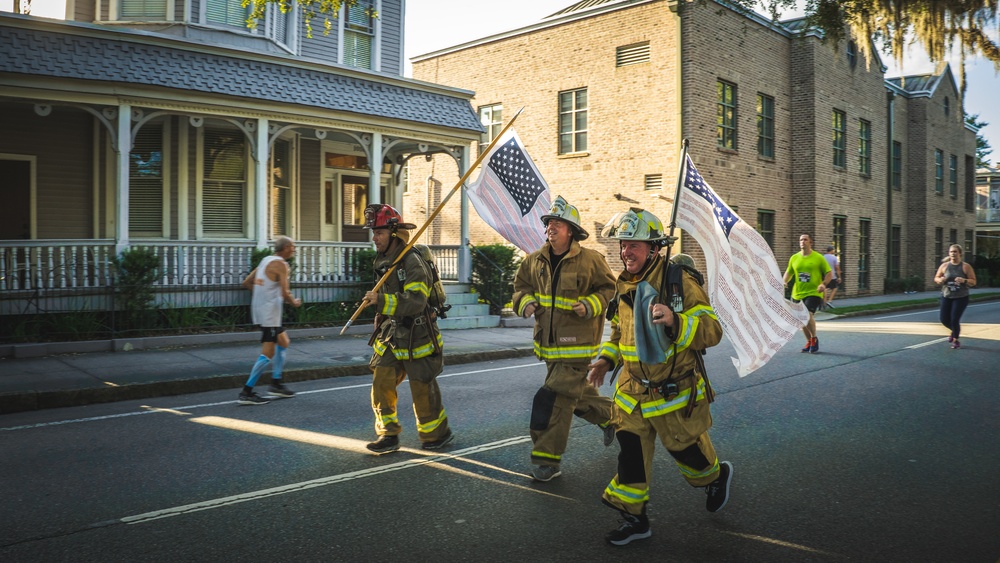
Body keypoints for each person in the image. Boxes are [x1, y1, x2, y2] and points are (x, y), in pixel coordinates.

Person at [587, 208, 732, 547]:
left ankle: (715, 477)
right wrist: (606, 361)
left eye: (634, 245)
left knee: (689, 457)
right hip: (633, 392)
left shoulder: (678, 281)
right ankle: (635, 520)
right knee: (631, 455)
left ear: (654, 249)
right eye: (623, 244)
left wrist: (675, 321)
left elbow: (712, 330)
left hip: (673, 395)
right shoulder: (625, 283)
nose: (626, 252)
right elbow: (619, 333)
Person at [511, 195, 617, 482]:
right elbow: (519, 287)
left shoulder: (591, 260)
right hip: (548, 346)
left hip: (577, 348)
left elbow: (610, 289)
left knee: (553, 400)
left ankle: (547, 461)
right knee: (574, 396)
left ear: (571, 230)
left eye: (557, 223)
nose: (551, 228)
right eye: (549, 223)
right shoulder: (534, 261)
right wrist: (526, 302)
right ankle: (615, 418)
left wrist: (592, 304)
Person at [361, 203, 454, 454]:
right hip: (391, 333)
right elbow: (386, 292)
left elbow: (416, 301)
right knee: (381, 379)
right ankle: (388, 435)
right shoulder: (383, 260)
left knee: (422, 387)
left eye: (378, 232)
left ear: (393, 233)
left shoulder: (412, 261)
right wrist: (380, 313)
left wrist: (381, 301)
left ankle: (436, 434)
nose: (374, 238)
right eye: (373, 232)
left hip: (418, 333)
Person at [238, 236, 302, 405]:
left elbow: (247, 282)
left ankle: (276, 383)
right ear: (286, 247)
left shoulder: (265, 260)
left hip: (263, 310)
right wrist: (294, 302)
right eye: (293, 246)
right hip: (269, 315)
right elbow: (284, 292)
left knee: (284, 342)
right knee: (268, 352)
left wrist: (262, 297)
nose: (294, 249)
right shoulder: (281, 264)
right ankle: (247, 391)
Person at [783, 234, 832, 353]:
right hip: (797, 293)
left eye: (805, 240)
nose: (802, 242)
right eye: (801, 240)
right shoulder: (794, 258)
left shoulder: (818, 258)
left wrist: (823, 284)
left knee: (807, 314)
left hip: (814, 292)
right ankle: (809, 341)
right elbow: (789, 273)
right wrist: (784, 281)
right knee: (801, 320)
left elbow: (829, 273)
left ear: (811, 242)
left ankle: (814, 339)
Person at [934, 244, 977, 349]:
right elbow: (936, 278)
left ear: (960, 253)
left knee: (954, 319)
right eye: (951, 252)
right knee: (944, 319)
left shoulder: (965, 266)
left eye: (955, 252)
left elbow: (974, 281)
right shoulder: (944, 266)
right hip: (946, 295)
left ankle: (956, 340)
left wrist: (964, 280)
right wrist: (941, 280)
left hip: (961, 297)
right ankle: (954, 331)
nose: (953, 254)